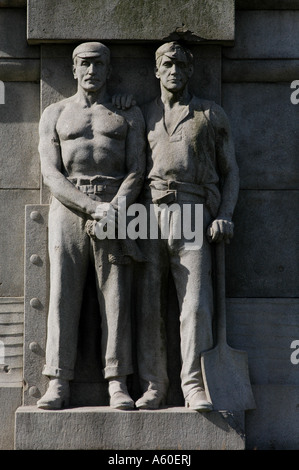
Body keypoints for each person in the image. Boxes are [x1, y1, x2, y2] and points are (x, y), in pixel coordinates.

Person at [36, 42, 146, 410]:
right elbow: (50, 172)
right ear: (73, 68)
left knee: (116, 296)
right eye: (84, 63)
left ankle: (117, 381)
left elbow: (137, 169)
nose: (91, 70)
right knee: (62, 294)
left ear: (109, 69)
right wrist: (89, 206)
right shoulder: (55, 112)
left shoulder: (127, 114)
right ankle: (58, 380)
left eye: (99, 63)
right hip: (69, 205)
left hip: (116, 205)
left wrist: (115, 208)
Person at [134, 42, 239, 411]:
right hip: (148, 214)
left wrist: (225, 213)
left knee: (195, 305)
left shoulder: (210, 114)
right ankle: (154, 386)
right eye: (167, 63)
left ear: (190, 71)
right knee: (149, 304)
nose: (174, 69)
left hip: (195, 210)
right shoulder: (142, 115)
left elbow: (231, 171)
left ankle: (194, 384)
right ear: (157, 71)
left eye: (181, 64)